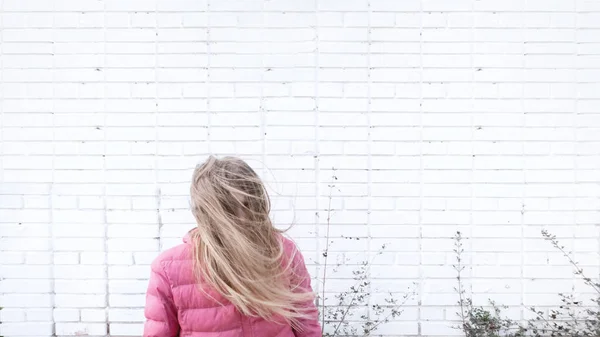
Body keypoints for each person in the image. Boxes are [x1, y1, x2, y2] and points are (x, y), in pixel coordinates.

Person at [143, 156, 322, 337]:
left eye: (247, 205)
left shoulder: (283, 252)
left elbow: (306, 324)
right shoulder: (168, 268)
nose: (242, 218)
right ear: (206, 211)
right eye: (228, 208)